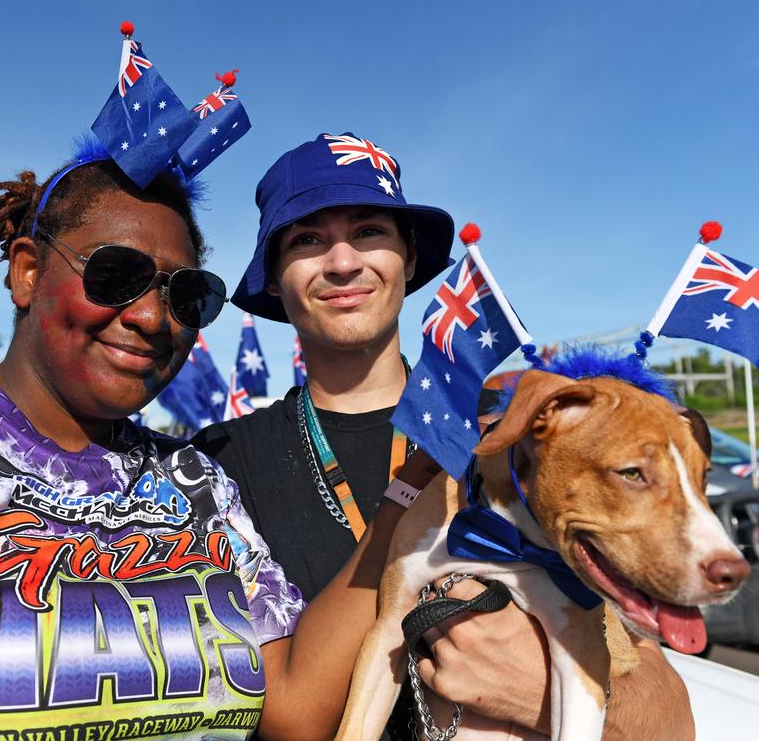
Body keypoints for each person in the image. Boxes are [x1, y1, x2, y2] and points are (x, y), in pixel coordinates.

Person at [0, 132, 424, 740]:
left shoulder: (198, 486)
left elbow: (297, 710)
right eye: (116, 275)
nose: (153, 317)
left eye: (185, 295)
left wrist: (408, 497)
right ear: (29, 271)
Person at [194, 132, 694, 738]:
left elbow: (668, 719)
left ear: (409, 258)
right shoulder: (214, 465)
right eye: (306, 240)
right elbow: (269, 714)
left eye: (370, 231)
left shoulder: (516, 439)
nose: (344, 262)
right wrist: (401, 507)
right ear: (274, 278)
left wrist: (531, 692)